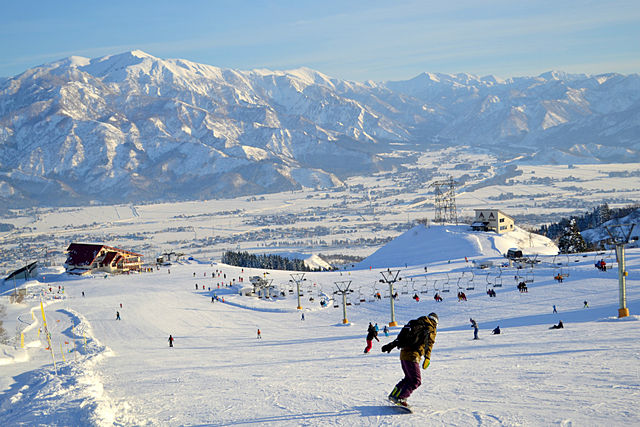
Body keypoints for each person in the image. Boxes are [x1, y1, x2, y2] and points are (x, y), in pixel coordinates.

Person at [382, 312, 438, 407]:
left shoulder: (416, 322)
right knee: (416, 380)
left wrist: (391, 345)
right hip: (413, 355)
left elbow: (401, 337)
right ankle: (401, 398)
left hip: (403, 354)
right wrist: (427, 358)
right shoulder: (430, 328)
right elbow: (429, 344)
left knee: (408, 378)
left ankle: (394, 394)